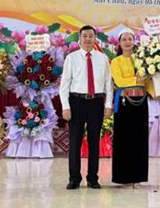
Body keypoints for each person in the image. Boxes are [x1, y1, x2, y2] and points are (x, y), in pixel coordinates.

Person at [59, 25, 114, 189]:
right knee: (75, 141)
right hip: (77, 102)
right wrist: (65, 106)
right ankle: (74, 178)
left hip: (96, 102)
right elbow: (64, 84)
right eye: (85, 36)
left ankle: (93, 178)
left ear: (95, 38)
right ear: (80, 38)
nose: (88, 39)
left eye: (91, 36)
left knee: (94, 141)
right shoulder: (72, 58)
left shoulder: (102, 58)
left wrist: (108, 104)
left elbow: (108, 83)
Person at [110, 31, 149, 187]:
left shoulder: (143, 60)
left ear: (134, 41)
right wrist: (137, 79)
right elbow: (119, 81)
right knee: (124, 139)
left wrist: (159, 93)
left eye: (130, 39)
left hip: (141, 102)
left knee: (140, 139)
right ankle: (123, 177)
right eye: (124, 39)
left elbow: (148, 82)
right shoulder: (116, 61)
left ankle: (138, 176)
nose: (127, 42)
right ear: (119, 43)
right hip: (124, 102)